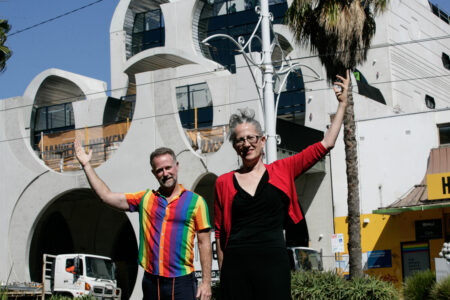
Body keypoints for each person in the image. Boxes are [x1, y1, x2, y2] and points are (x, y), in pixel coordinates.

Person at [214, 70, 350, 299]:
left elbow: (326, 143)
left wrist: (343, 105)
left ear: (262, 140)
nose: (246, 144)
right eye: (240, 139)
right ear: (235, 146)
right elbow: (220, 233)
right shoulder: (223, 182)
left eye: (251, 138)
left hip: (273, 261)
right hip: (236, 265)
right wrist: (223, 273)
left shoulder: (282, 170)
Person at [74, 143, 212, 300]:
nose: (165, 173)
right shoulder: (145, 199)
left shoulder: (196, 202)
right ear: (154, 173)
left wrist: (206, 282)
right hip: (151, 280)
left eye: (168, 167)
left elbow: (204, 243)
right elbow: (106, 196)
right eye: (160, 170)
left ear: (177, 166)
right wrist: (86, 165)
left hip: (182, 281)